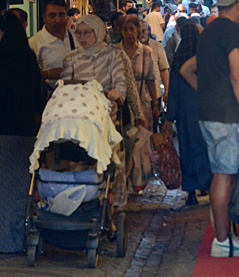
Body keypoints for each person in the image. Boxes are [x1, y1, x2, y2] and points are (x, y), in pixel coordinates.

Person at [180, 0, 239, 258]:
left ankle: (223, 235)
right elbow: (238, 76)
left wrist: (208, 91)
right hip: (226, 115)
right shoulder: (232, 31)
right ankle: (223, 241)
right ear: (238, 6)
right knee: (225, 175)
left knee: (219, 174)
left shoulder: (208, 30)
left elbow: (188, 70)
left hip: (208, 113)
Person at [0, 11, 45, 253]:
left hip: (4, 134)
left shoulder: (0, 59)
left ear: (6, 33)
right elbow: (39, 95)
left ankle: (3, 242)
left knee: (1, 190)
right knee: (22, 189)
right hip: (27, 132)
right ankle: (25, 240)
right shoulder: (27, 56)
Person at [62, 14, 140, 208]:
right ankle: (83, 205)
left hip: (107, 118)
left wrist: (116, 93)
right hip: (79, 120)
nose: (82, 37)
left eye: (87, 33)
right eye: (78, 33)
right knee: (79, 163)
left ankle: (116, 208)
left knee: (115, 163)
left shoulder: (112, 54)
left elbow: (120, 82)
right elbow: (64, 86)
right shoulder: (71, 57)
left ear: (97, 32)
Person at [165, 23, 212, 206]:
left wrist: (170, 118)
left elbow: (173, 94)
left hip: (185, 116)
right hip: (204, 111)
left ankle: (191, 191)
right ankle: (206, 184)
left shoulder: (178, 60)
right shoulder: (203, 59)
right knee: (204, 147)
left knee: (187, 150)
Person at [117, 15, 158, 190]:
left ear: (138, 31)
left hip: (142, 103)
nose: (129, 33)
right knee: (123, 143)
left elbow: (150, 79)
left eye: (132, 29)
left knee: (140, 144)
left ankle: (138, 181)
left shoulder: (147, 52)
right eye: (125, 30)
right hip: (121, 106)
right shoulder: (114, 51)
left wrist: (156, 104)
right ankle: (123, 179)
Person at [29, 0, 76, 89]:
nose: (57, 20)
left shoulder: (77, 37)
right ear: (44, 18)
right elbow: (28, 75)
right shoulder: (34, 43)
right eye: (52, 15)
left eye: (61, 15)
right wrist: (49, 74)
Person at [139, 18, 170, 104]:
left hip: (155, 95)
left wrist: (166, 90)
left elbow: (163, 69)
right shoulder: (131, 48)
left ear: (148, 31)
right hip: (137, 96)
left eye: (143, 31)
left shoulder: (157, 46)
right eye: (138, 32)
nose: (141, 34)